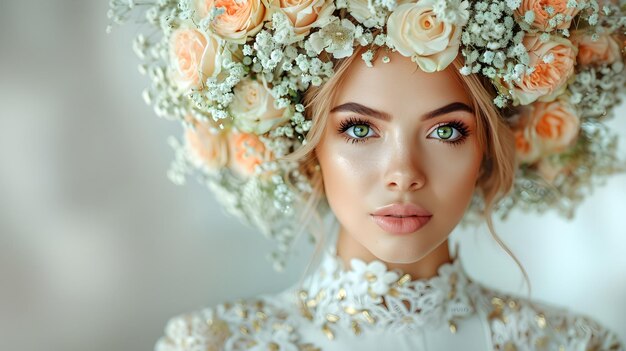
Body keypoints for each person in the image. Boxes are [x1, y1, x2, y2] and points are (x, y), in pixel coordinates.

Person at [108, 0, 626, 349]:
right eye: (359, 130)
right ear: (309, 147)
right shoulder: (213, 343)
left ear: (489, 149)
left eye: (446, 132)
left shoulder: (573, 344)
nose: (402, 173)